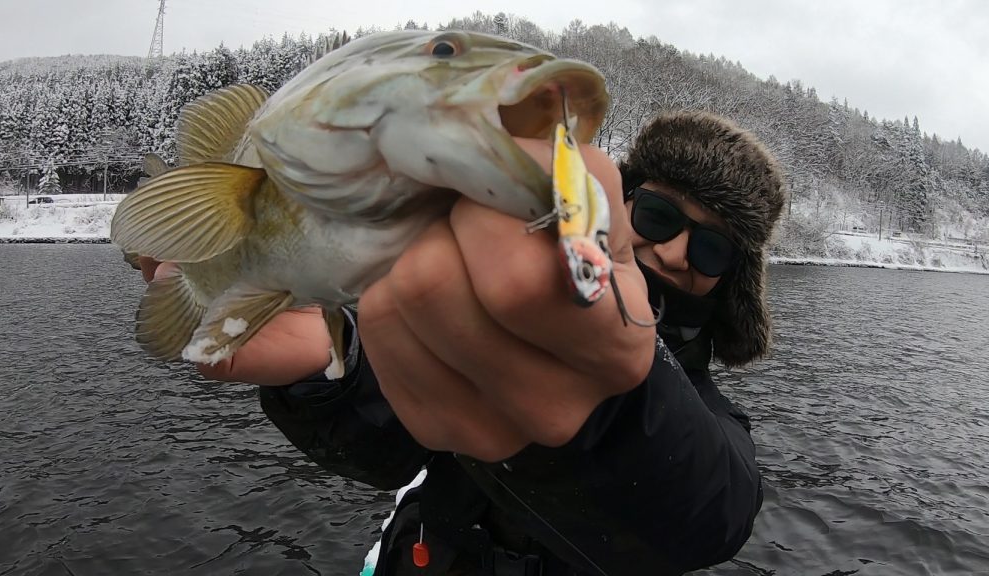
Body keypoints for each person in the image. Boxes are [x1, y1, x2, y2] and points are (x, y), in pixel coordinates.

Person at [138, 110, 786, 575]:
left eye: (711, 247)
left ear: (730, 282)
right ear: (617, 205)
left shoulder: (713, 429)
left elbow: (712, 517)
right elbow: (391, 441)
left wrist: (611, 381)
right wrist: (328, 368)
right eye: (660, 216)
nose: (674, 252)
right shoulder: (481, 317)